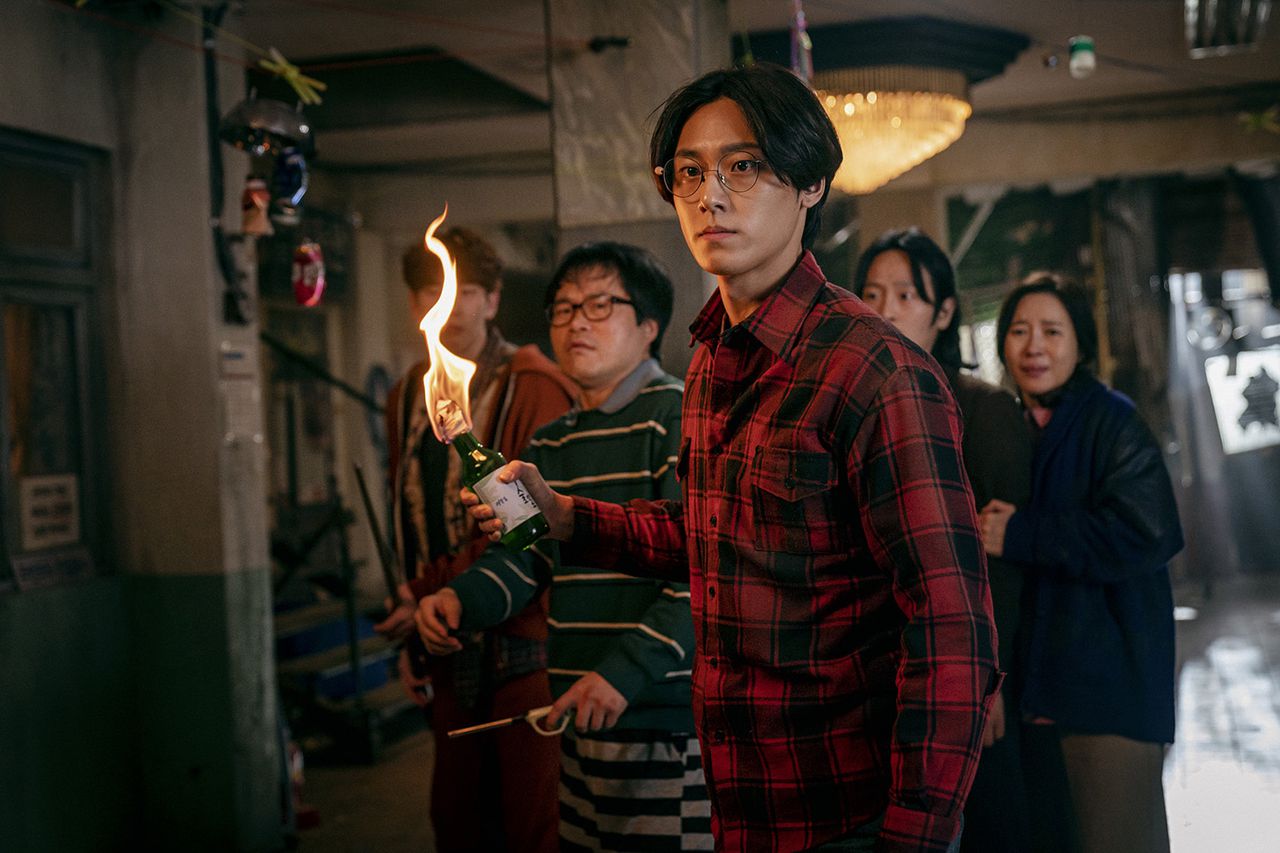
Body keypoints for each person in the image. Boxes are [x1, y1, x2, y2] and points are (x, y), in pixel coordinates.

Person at [463, 63, 999, 853]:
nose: (708, 195)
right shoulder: (713, 357)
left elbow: (951, 628)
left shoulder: (875, 370)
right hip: (741, 806)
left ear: (811, 182)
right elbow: (714, 540)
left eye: (742, 166)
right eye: (688, 172)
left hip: (848, 814)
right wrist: (565, 516)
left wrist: (914, 835)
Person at [415, 242, 710, 852]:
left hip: (661, 720)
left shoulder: (677, 418)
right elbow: (525, 558)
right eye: (564, 308)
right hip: (576, 715)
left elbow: (703, 572)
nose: (577, 322)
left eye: (600, 305)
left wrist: (623, 675)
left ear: (649, 326)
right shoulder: (549, 445)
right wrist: (459, 600)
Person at [374, 227, 575, 853]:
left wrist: (431, 591)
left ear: (491, 300)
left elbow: (532, 530)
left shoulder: (534, 384)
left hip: (523, 635)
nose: (447, 306)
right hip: (445, 634)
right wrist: (414, 609)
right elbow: (407, 510)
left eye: (462, 291)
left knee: (533, 822)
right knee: (458, 819)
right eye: (430, 291)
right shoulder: (407, 394)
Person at [978, 273, 1182, 853]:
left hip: (1108, 694)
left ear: (1081, 344)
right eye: (1019, 331)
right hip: (1043, 693)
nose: (1034, 347)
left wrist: (1023, 533)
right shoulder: (1018, 426)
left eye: (1052, 331)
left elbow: (1149, 533)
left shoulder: (1110, 420)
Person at [852, 229, 1033, 853]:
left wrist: (987, 678)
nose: (886, 310)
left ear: (945, 311)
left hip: (962, 667)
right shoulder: (855, 402)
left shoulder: (982, 409)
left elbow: (997, 562)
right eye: (871, 294)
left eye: (906, 295)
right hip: (876, 668)